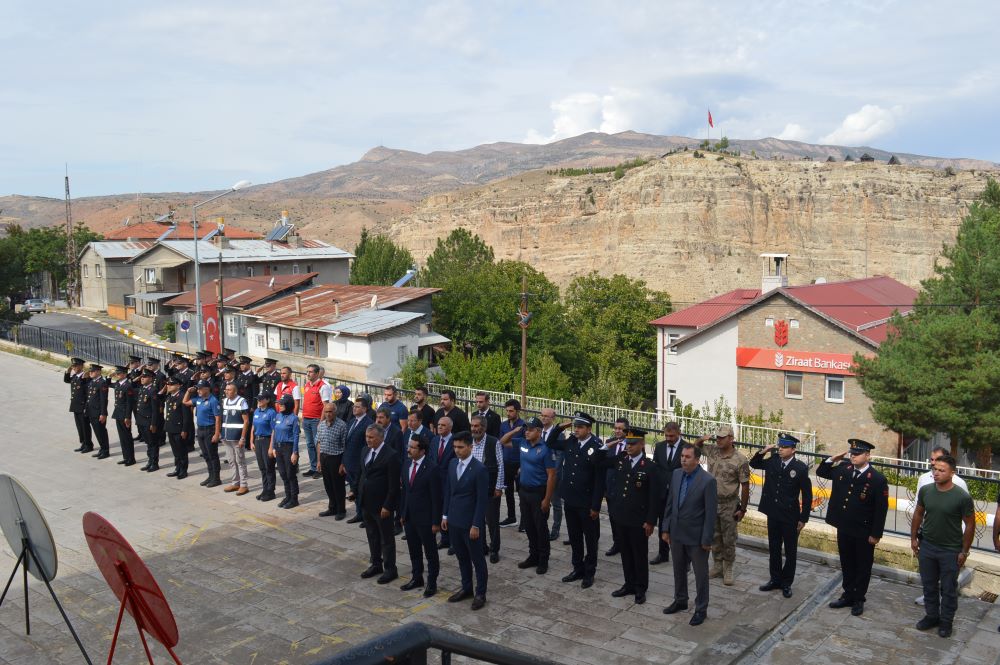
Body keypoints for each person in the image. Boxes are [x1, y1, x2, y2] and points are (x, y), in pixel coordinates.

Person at [818, 439, 889, 617]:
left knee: (863, 566)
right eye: (852, 453)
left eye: (857, 454)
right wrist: (832, 459)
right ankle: (848, 594)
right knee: (847, 563)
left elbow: (881, 510)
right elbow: (822, 472)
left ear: (867, 456)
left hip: (864, 532)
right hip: (844, 527)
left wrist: (876, 534)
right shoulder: (843, 469)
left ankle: (859, 599)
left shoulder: (877, 479)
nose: (853, 456)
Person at [911, 454, 975, 638]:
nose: (936, 473)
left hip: (950, 550)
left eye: (941, 470)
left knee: (948, 588)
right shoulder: (926, 490)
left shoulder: (961, 497)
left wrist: (964, 551)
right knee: (928, 585)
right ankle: (932, 616)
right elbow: (918, 513)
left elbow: (970, 525)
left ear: (952, 473)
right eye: (934, 469)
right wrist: (914, 538)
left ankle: (946, 621)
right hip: (928, 546)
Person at [546, 412, 606, 589]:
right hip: (571, 499)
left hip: (587, 502)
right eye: (575, 426)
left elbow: (599, 480)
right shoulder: (571, 441)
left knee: (591, 539)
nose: (577, 430)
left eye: (580, 427)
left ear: (588, 429)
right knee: (574, 537)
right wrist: (558, 428)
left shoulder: (597, 447)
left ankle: (589, 572)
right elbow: (550, 443)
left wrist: (596, 506)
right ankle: (577, 568)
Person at [605, 428, 663, 605]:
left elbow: (655, 497)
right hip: (621, 516)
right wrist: (609, 445)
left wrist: (651, 521)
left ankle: (640, 588)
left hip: (639, 520)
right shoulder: (621, 461)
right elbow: (597, 460)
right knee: (626, 554)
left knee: (639, 555)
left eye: (632, 444)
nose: (629, 447)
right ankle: (628, 583)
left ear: (642, 444)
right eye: (627, 444)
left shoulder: (650, 467)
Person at [750, 433, 813, 598]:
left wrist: (803, 518)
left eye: (784, 447)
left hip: (790, 516)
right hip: (773, 512)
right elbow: (754, 463)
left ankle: (786, 583)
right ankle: (775, 579)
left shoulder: (800, 468)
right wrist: (764, 451)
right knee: (774, 548)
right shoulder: (773, 461)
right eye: (779, 446)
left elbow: (807, 495)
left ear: (793, 449)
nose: (780, 449)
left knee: (790, 551)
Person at [661, 444, 718, 626]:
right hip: (677, 534)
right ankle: (680, 600)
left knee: (701, 575)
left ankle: (701, 608)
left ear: (697, 459)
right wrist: (665, 528)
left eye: (687, 457)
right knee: (678, 569)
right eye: (682, 456)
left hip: (696, 538)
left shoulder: (707, 481)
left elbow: (710, 514)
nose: (683, 459)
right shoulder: (676, 474)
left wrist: (707, 539)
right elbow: (670, 503)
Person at [694, 425, 751, 586]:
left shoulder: (740, 459)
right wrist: (701, 439)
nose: (718, 440)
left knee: (729, 538)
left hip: (729, 504)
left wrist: (743, 509)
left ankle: (728, 568)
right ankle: (717, 565)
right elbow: (694, 448)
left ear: (731, 439)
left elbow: (745, 485)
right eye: (717, 437)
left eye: (722, 437)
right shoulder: (712, 451)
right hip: (711, 501)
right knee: (714, 535)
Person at [442, 430, 489, 610]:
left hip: (470, 523)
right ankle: (466, 587)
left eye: (461, 447)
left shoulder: (479, 469)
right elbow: (448, 490)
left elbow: (481, 500)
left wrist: (476, 524)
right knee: (462, 557)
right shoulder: (453, 464)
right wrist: (445, 515)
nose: (457, 450)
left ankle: (480, 593)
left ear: (470, 446)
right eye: (455, 447)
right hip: (454, 520)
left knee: (477, 560)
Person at [352, 423, 400, 584]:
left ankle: (390, 569)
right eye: (367, 437)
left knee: (386, 538)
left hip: (382, 505)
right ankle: (376, 564)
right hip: (366, 502)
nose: (368, 440)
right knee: (372, 535)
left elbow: (394, 486)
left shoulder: (391, 455)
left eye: (371, 437)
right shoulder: (365, 451)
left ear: (381, 437)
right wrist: (356, 492)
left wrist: (388, 505)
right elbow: (362, 473)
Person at [515, 417, 559, 575]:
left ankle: (543, 559)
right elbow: (503, 441)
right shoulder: (523, 443)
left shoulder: (546, 449)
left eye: (530, 429)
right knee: (529, 526)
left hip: (538, 492)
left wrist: (547, 499)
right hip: (524, 491)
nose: (526, 431)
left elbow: (551, 476)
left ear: (539, 432)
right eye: (525, 429)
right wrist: (517, 430)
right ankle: (533, 555)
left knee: (540, 527)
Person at [400, 435, 442, 597]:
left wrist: (435, 521)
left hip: (426, 519)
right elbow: (405, 492)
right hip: (410, 517)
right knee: (414, 549)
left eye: (412, 447)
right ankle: (417, 577)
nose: (408, 450)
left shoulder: (432, 468)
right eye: (408, 446)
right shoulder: (406, 464)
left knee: (430, 552)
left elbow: (436, 498)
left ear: (422, 450)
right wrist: (403, 513)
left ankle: (432, 582)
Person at [469, 414, 505, 563]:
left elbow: (500, 465)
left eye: (477, 426)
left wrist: (498, 486)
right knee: (477, 519)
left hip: (489, 488)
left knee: (492, 520)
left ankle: (494, 549)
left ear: (484, 428)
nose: (474, 429)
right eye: (472, 426)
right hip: (472, 488)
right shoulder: (468, 442)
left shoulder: (493, 442)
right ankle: (481, 546)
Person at [650, 422, 686, 565]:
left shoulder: (686, 448)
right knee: (662, 522)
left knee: (678, 523)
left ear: (679, 434)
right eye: (666, 435)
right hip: (661, 493)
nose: (669, 438)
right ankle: (663, 553)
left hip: (679, 493)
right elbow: (656, 467)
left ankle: (681, 555)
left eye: (672, 436)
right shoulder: (659, 447)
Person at [185, 380, 222, 488]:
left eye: (200, 388)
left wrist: (216, 433)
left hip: (209, 430)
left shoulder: (213, 400)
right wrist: (188, 391)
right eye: (198, 388)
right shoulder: (198, 399)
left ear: (207, 388)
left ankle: (216, 478)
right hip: (200, 430)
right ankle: (210, 476)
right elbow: (185, 402)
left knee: (212, 455)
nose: (198, 390)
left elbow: (218, 419)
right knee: (205, 455)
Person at [602, 418, 629, 557]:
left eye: (620, 428)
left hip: (624, 488)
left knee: (624, 518)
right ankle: (616, 543)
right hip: (611, 486)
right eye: (616, 428)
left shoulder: (632, 444)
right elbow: (604, 463)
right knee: (613, 517)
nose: (618, 431)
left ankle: (625, 543)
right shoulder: (609, 443)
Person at [343, 399, 373, 524]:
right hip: (349, 462)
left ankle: (366, 516)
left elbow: (368, 446)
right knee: (354, 489)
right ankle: (359, 513)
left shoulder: (368, 424)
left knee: (362, 490)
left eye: (357, 407)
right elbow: (347, 443)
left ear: (365, 409)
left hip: (359, 463)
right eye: (354, 406)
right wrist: (343, 462)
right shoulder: (351, 421)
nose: (354, 408)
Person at [316, 402, 348, 519]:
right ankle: (332, 507)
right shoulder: (321, 425)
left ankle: (341, 510)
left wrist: (343, 463)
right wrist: (319, 460)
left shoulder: (342, 426)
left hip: (336, 458)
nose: (328, 414)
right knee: (328, 484)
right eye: (326, 411)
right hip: (324, 457)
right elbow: (319, 443)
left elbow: (345, 446)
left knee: (338, 485)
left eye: (330, 411)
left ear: (335, 412)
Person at [301, 364, 332, 478]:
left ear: (317, 373)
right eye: (307, 372)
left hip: (316, 420)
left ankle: (321, 468)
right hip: (307, 419)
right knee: (309, 444)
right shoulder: (307, 385)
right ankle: (313, 467)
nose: (308, 374)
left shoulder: (323, 386)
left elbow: (326, 405)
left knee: (318, 444)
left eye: (310, 372)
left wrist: (321, 421)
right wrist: (304, 416)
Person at [498, 399, 525, 528]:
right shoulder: (503, 425)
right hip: (506, 462)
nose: (508, 413)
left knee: (522, 493)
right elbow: (501, 442)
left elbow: (526, 445)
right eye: (507, 411)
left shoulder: (524, 425)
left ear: (517, 411)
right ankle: (511, 517)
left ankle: (525, 521)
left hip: (519, 463)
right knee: (508, 492)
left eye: (511, 411)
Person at [271, 394, 302, 508]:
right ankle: (287, 496)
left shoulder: (294, 418)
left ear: (288, 405)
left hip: (288, 448)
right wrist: (274, 447)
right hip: (279, 448)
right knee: (283, 473)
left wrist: (295, 453)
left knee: (290, 474)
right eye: (280, 403)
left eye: (282, 404)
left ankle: (294, 499)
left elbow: (296, 436)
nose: (280, 405)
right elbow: (275, 432)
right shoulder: (278, 416)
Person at [220, 382, 250, 495]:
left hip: (237, 437)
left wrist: (243, 437)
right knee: (232, 460)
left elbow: (246, 421)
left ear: (235, 391)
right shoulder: (225, 401)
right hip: (226, 436)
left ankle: (243, 485)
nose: (226, 391)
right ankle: (235, 482)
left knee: (240, 461)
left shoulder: (241, 401)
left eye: (229, 390)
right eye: (226, 389)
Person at [431, 416, 456, 552]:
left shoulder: (455, 442)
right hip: (436, 481)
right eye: (438, 424)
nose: (439, 427)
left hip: (449, 481)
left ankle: (454, 542)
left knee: (449, 511)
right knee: (440, 509)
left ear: (450, 427)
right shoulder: (434, 440)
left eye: (443, 425)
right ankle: (445, 539)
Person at [539, 408, 564, 542]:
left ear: (553, 418)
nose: (543, 418)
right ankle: (542, 526)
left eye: (547, 416)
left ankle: (555, 529)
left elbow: (560, 457)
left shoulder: (558, 434)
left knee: (556, 503)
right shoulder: (539, 431)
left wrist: (554, 474)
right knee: (542, 501)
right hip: (540, 473)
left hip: (553, 474)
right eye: (542, 415)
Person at [250, 393, 279, 502]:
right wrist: (251, 441)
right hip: (258, 441)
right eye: (258, 399)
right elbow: (253, 427)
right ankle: (265, 489)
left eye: (261, 399)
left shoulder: (271, 412)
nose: (259, 401)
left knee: (269, 467)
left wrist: (271, 447)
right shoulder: (257, 411)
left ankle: (271, 491)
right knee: (262, 467)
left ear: (267, 400)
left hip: (267, 440)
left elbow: (274, 430)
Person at [162, 377, 190, 479]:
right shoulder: (169, 396)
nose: (168, 386)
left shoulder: (182, 397)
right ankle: (177, 468)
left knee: (182, 451)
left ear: (178, 385)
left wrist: (184, 430)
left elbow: (187, 416)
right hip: (170, 427)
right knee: (175, 451)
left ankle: (183, 470)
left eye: (171, 384)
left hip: (179, 429)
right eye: (168, 384)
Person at [134, 370, 162, 472]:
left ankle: (154, 463)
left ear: (150, 378)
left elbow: (155, 410)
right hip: (142, 421)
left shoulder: (153, 391)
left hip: (149, 421)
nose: (142, 378)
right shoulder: (142, 389)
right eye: (142, 377)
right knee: (148, 443)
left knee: (153, 443)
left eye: (144, 377)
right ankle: (149, 461)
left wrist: (153, 423)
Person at [110, 365, 137, 466]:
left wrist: (128, 417)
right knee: (122, 437)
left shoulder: (128, 386)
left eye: (119, 373)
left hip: (124, 415)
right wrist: (109, 376)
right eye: (116, 373)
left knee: (127, 437)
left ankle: (131, 458)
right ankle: (126, 457)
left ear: (125, 374)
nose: (117, 375)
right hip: (118, 413)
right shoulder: (118, 384)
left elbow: (129, 403)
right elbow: (108, 383)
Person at [65, 357, 92, 453]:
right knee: (79, 426)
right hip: (75, 406)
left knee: (85, 426)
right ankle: (83, 443)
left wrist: (86, 407)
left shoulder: (85, 377)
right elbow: (67, 380)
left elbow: (88, 391)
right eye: (73, 366)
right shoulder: (75, 377)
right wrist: (68, 371)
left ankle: (88, 444)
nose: (74, 368)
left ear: (81, 366)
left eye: (75, 366)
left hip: (82, 406)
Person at [85, 364, 111, 459]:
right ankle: (102, 449)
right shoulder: (92, 382)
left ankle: (105, 450)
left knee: (101, 432)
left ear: (98, 372)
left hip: (98, 413)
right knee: (97, 432)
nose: (90, 373)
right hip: (91, 411)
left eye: (92, 371)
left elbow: (104, 400)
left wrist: (103, 413)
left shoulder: (102, 383)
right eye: (90, 371)